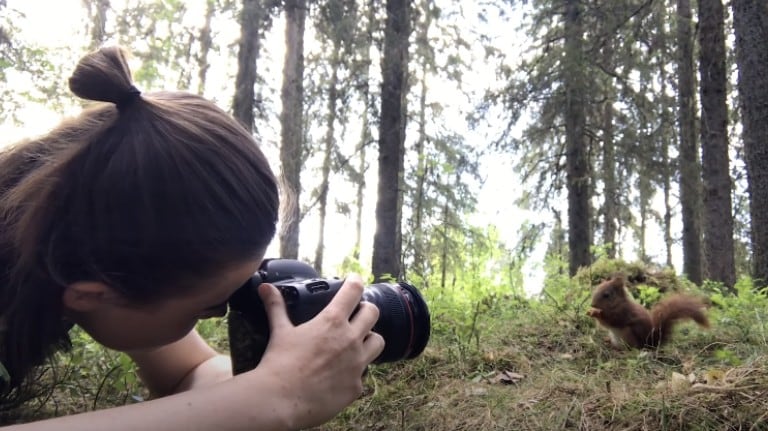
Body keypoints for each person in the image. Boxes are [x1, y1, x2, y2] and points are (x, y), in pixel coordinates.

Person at [0, 46, 384, 430]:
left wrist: (287, 371)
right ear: (89, 295)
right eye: (211, 305)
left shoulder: (80, 242)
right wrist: (276, 396)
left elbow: (190, 371)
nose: (223, 310)